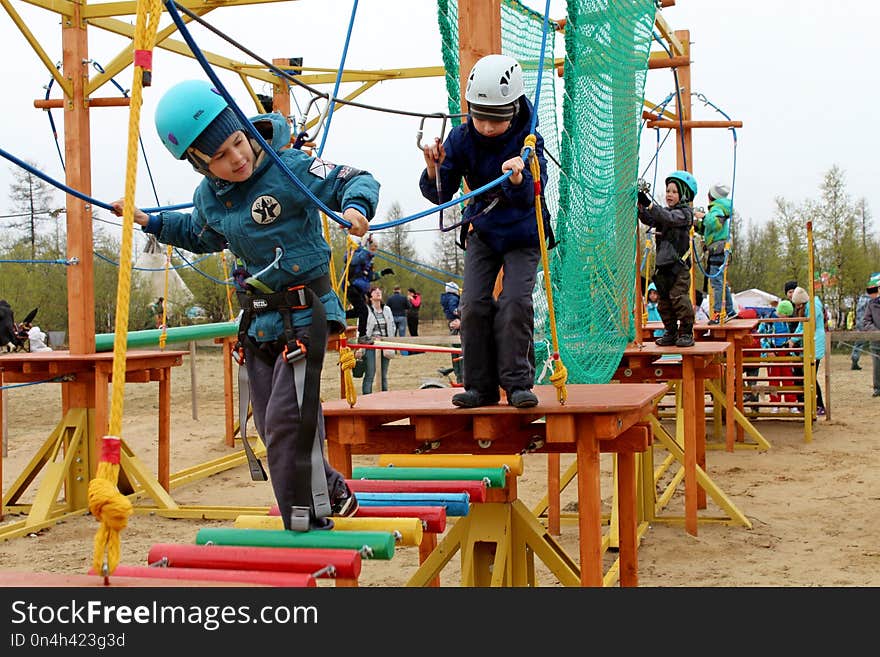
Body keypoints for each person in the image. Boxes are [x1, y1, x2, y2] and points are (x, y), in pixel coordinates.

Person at [112, 79, 380, 530]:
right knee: (271, 426)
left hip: (305, 313)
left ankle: (323, 495)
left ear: (246, 132)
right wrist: (150, 222)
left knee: (284, 420)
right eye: (219, 156)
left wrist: (354, 209)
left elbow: (353, 179)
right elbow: (199, 234)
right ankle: (304, 513)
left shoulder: (288, 164)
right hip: (259, 324)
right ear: (200, 163)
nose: (235, 158)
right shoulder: (210, 199)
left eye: (238, 143)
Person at [420, 54, 554, 409]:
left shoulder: (530, 141)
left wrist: (518, 177)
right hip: (483, 229)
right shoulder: (462, 137)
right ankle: (480, 386)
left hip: (524, 234)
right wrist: (434, 168)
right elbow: (441, 192)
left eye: (495, 120)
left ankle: (518, 383)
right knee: (473, 304)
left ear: (513, 110)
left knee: (514, 302)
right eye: (479, 117)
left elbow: (529, 201)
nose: (486, 127)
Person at [637, 170, 697, 347]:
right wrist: (640, 205)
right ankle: (670, 331)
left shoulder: (685, 214)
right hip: (663, 268)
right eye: (668, 191)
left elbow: (668, 217)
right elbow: (651, 218)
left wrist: (650, 205)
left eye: (674, 192)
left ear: (684, 195)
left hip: (678, 268)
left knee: (679, 298)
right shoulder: (665, 214)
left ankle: (686, 332)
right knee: (664, 302)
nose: (669, 194)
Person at [694, 183, 737, 323]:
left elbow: (715, 223)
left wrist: (703, 216)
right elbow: (710, 230)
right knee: (721, 282)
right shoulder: (721, 209)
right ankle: (729, 310)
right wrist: (697, 225)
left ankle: (719, 313)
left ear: (710, 196)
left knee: (717, 283)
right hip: (718, 249)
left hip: (717, 249)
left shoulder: (717, 209)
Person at [789, 286, 827, 415]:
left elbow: (809, 326)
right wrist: (793, 338)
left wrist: (794, 339)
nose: (797, 307)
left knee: (810, 376)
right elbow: (802, 324)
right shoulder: (807, 308)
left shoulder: (812, 308)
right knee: (808, 376)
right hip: (811, 343)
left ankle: (819, 404)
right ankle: (811, 404)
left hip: (815, 344)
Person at [346, 235, 393, 339]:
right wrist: (364, 249)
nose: (374, 252)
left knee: (359, 312)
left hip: (360, 290)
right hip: (352, 287)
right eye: (372, 249)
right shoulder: (356, 253)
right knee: (364, 311)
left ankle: (340, 316)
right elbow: (353, 261)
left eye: (375, 249)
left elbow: (371, 276)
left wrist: (383, 273)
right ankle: (362, 336)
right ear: (366, 247)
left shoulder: (369, 261)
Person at [761, 300, 796, 413]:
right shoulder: (768, 321)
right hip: (773, 352)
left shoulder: (786, 322)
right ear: (781, 312)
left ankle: (791, 403)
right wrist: (767, 350)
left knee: (788, 378)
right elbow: (762, 336)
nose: (787, 317)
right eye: (785, 315)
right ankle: (775, 403)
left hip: (785, 351)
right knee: (774, 379)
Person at [361, 286, 395, 394]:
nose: (378, 292)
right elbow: (361, 329)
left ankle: (384, 398)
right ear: (370, 297)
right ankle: (367, 398)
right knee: (370, 373)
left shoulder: (387, 310)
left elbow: (392, 326)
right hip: (371, 346)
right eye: (375, 291)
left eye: (379, 291)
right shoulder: (365, 310)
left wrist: (389, 341)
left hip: (385, 345)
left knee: (383, 375)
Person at [851, 283, 878, 369]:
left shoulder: (861, 298)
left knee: (858, 343)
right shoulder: (871, 300)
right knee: (874, 343)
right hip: (867, 324)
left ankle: (854, 360)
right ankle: (855, 360)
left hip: (859, 322)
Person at [440, 281, 463, 384]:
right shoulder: (453, 299)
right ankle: (461, 377)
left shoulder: (447, 298)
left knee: (456, 351)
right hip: (456, 323)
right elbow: (454, 309)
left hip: (454, 323)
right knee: (459, 351)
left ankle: (459, 376)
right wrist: (460, 314)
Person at [861, 282, 880, 397]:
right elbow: (866, 321)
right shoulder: (871, 304)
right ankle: (878, 388)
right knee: (877, 366)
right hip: (876, 341)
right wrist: (876, 332)